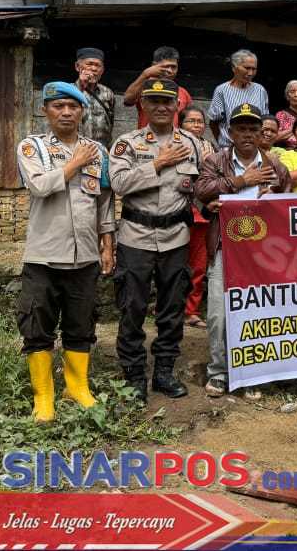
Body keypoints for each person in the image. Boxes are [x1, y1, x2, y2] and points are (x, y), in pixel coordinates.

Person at [15, 82, 115, 423]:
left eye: (73, 107)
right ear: (46, 110)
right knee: (36, 324)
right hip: (43, 255)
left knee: (81, 322)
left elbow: (105, 201)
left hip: (85, 255)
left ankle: (77, 387)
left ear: (82, 111)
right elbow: (40, 186)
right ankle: (44, 396)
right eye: (58, 106)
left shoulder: (97, 152)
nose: (67, 112)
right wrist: (73, 164)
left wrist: (108, 244)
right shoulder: (33, 148)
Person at [109, 78, 205, 403]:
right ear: (144, 106)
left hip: (176, 237)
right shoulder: (127, 143)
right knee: (132, 307)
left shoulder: (193, 143)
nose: (162, 107)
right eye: (154, 101)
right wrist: (157, 163)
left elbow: (203, 185)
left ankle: (163, 372)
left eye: (168, 101)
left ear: (177, 106)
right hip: (135, 237)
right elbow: (119, 183)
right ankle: (134, 375)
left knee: (172, 308)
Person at [195, 103, 291, 397]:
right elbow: (202, 189)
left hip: (263, 250)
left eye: (253, 129)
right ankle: (219, 372)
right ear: (230, 132)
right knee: (219, 314)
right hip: (226, 245)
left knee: (258, 311)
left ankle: (251, 373)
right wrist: (241, 181)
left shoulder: (274, 164)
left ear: (261, 133)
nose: (248, 134)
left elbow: (288, 200)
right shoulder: (215, 160)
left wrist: (274, 196)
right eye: (241, 129)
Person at [178, 107, 217, 329]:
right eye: (191, 121)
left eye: (200, 121)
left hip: (203, 211)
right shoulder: (174, 144)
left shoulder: (210, 147)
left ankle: (190, 310)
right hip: (178, 210)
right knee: (173, 264)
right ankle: (170, 307)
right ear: (181, 124)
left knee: (198, 265)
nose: (196, 125)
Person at [207, 49, 269, 148]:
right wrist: (224, 142)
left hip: (254, 149)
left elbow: (265, 120)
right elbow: (214, 122)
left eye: (254, 69)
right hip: (229, 147)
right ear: (234, 68)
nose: (250, 73)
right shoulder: (222, 90)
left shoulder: (260, 90)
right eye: (247, 68)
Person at [124, 47, 193, 129]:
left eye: (173, 67)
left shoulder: (183, 93)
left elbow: (189, 120)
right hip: (146, 139)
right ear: (154, 66)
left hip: (175, 140)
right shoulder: (144, 87)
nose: (170, 71)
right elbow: (127, 100)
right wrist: (145, 74)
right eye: (166, 66)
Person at [74, 47, 116, 146]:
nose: (94, 69)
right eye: (89, 64)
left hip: (101, 150)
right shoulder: (69, 90)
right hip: (76, 149)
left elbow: (110, 123)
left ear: (102, 70)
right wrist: (81, 85)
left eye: (98, 66)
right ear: (77, 66)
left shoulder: (108, 93)